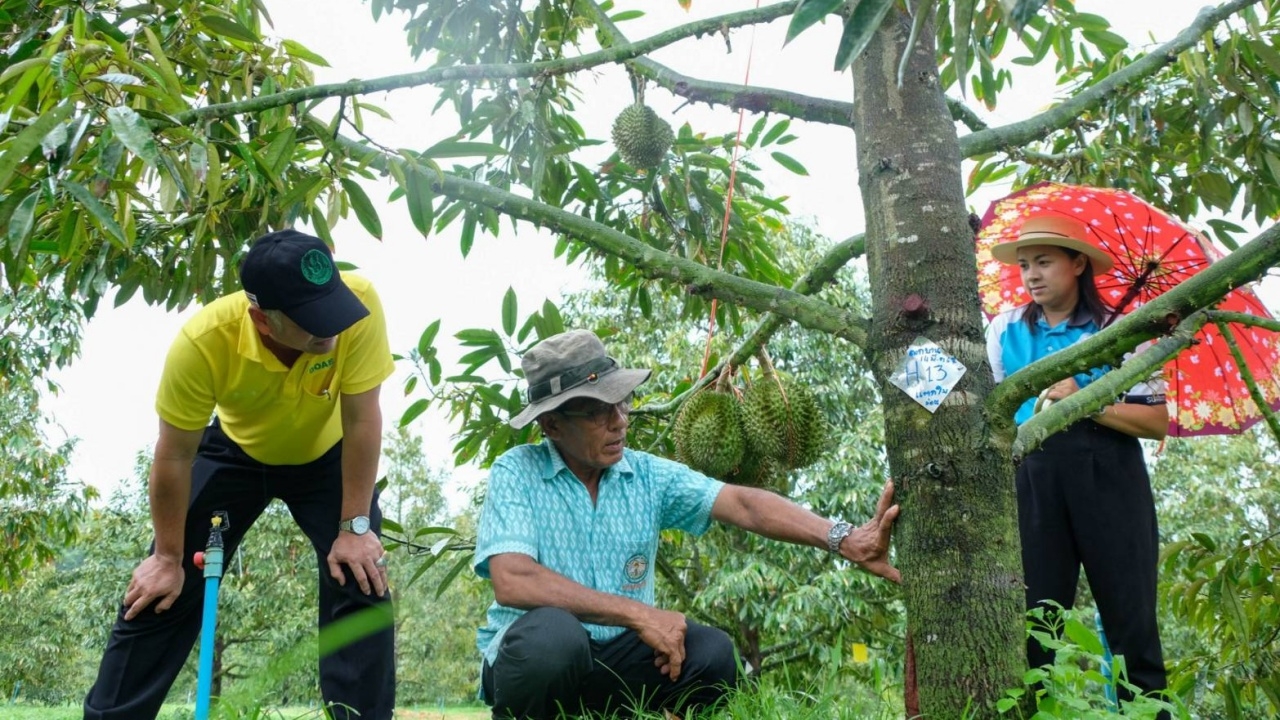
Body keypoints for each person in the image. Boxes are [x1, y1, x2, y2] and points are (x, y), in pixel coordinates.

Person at [473, 329, 900, 720]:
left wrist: (843, 539)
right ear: (551, 424)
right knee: (554, 638)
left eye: (622, 402)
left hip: (618, 660)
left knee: (715, 654)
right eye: (597, 412)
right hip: (536, 665)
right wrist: (639, 613)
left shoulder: (647, 476)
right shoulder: (518, 472)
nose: (619, 420)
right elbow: (514, 580)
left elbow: (742, 503)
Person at [83, 229, 397, 720]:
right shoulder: (204, 341)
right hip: (236, 453)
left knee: (362, 576)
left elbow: (362, 419)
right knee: (164, 585)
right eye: (313, 322)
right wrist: (167, 555)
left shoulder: (360, 303)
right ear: (262, 320)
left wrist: (355, 526)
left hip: (327, 457)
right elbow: (172, 457)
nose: (330, 332)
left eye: (331, 310)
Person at [985, 215, 1170, 708]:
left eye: (1044, 262)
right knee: (1033, 621)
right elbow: (985, 405)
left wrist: (1087, 398)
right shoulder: (1003, 329)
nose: (1031, 275)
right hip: (1033, 479)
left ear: (1078, 263)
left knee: (1131, 623)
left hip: (1112, 481)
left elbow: (1155, 423)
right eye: (1025, 266)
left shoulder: (1123, 329)